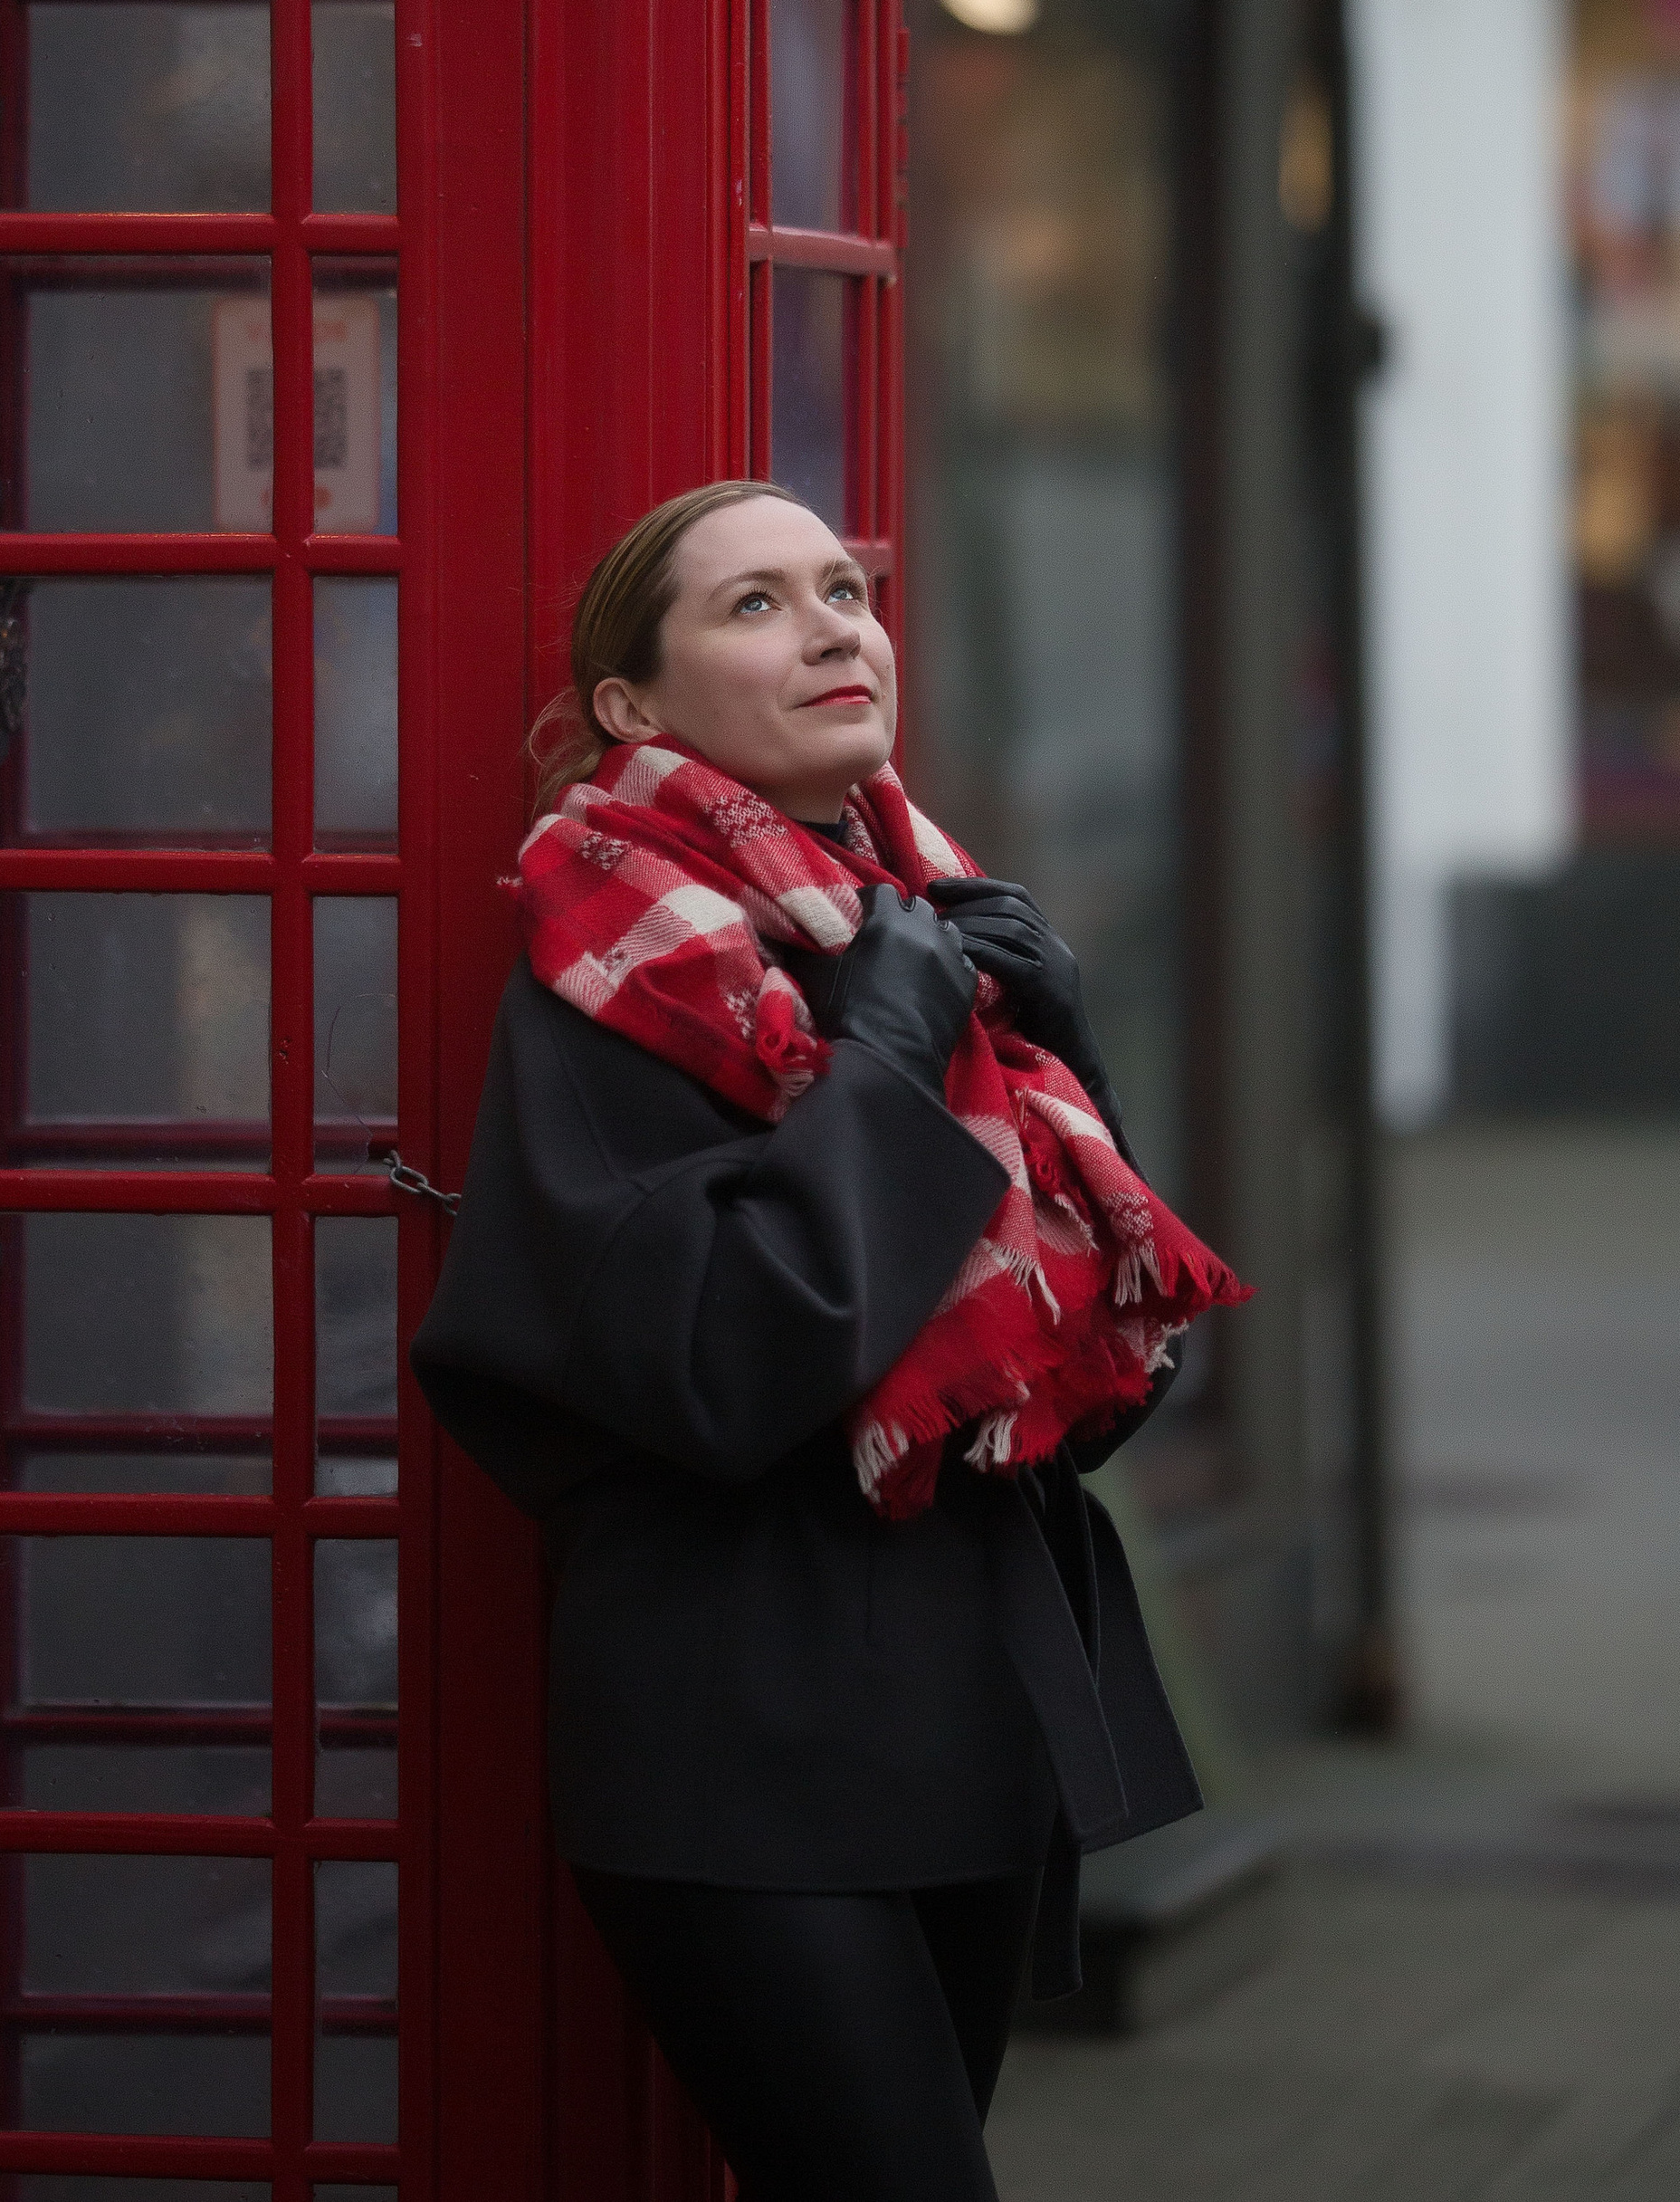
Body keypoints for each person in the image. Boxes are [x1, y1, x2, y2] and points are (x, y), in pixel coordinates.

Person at [411, 479, 1241, 2202]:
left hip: (964, 1725)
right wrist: (882, 1058)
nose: (831, 627)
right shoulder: (612, 972)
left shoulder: (918, 927)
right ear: (634, 710)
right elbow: (731, 1366)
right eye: (756, 605)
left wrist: (1064, 1050)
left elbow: (1094, 1393)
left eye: (842, 591)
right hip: (743, 1741)